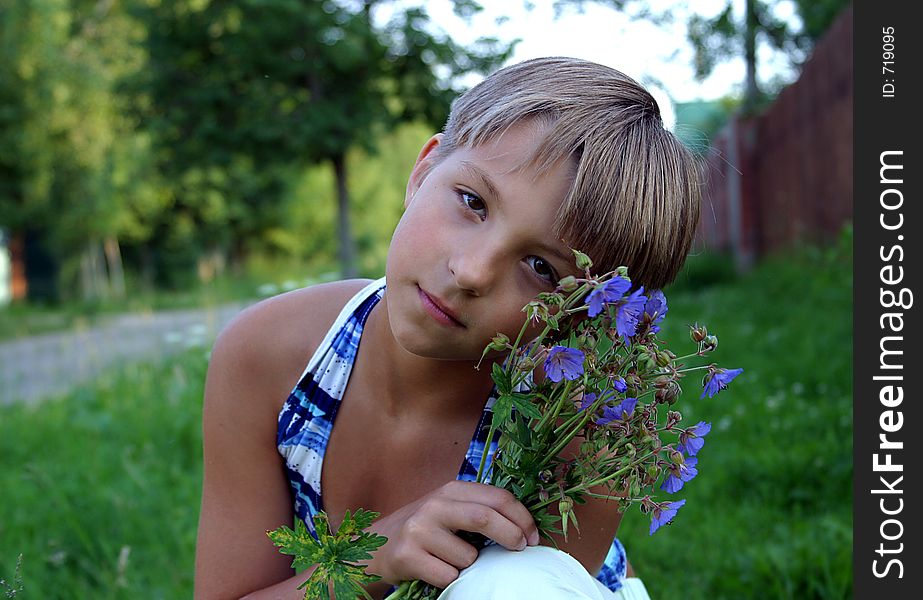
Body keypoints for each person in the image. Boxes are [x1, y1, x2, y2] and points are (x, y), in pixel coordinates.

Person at [194, 56, 701, 599]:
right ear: (423, 170)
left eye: (541, 268)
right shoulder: (269, 354)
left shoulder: (575, 426)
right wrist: (378, 557)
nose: (471, 271)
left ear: (585, 315)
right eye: (472, 202)